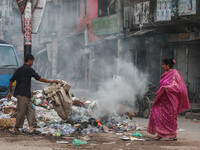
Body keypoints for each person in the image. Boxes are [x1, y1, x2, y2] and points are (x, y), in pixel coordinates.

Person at [7, 54, 58, 134]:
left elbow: (11, 80)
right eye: (32, 61)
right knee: (21, 111)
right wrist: (51, 81)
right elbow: (39, 78)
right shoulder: (29, 69)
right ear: (30, 60)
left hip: (24, 94)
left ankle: (31, 127)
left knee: (30, 110)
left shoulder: (19, 69)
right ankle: (16, 128)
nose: (33, 63)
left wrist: (10, 92)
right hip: (23, 94)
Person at [147, 58, 190, 141]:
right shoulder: (165, 74)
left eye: (163, 64)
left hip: (171, 100)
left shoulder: (175, 74)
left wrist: (166, 88)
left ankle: (172, 135)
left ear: (168, 65)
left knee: (170, 118)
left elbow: (178, 87)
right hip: (162, 100)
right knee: (157, 114)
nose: (162, 66)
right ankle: (160, 133)